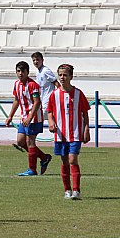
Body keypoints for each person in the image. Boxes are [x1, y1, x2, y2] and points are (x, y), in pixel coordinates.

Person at [46, 64, 90, 200]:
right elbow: (49, 111)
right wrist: (51, 122)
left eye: (65, 75)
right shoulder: (54, 94)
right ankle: (67, 190)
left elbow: (85, 113)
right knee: (64, 161)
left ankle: (76, 190)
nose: (62, 77)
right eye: (60, 75)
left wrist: (86, 130)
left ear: (71, 76)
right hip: (60, 135)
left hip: (75, 133)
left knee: (72, 159)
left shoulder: (78, 93)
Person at [5, 61, 52, 176]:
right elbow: (16, 100)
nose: (20, 73)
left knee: (30, 142)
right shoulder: (16, 84)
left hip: (34, 118)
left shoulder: (32, 85)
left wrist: (30, 117)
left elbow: (37, 103)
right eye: (18, 71)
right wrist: (10, 116)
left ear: (27, 72)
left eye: (23, 71)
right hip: (24, 118)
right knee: (20, 142)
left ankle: (32, 169)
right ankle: (44, 157)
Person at [31, 51, 57, 117]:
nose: (35, 62)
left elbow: (56, 83)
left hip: (48, 100)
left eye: (37, 60)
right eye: (34, 60)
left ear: (42, 60)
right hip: (42, 99)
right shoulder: (38, 71)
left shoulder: (46, 71)